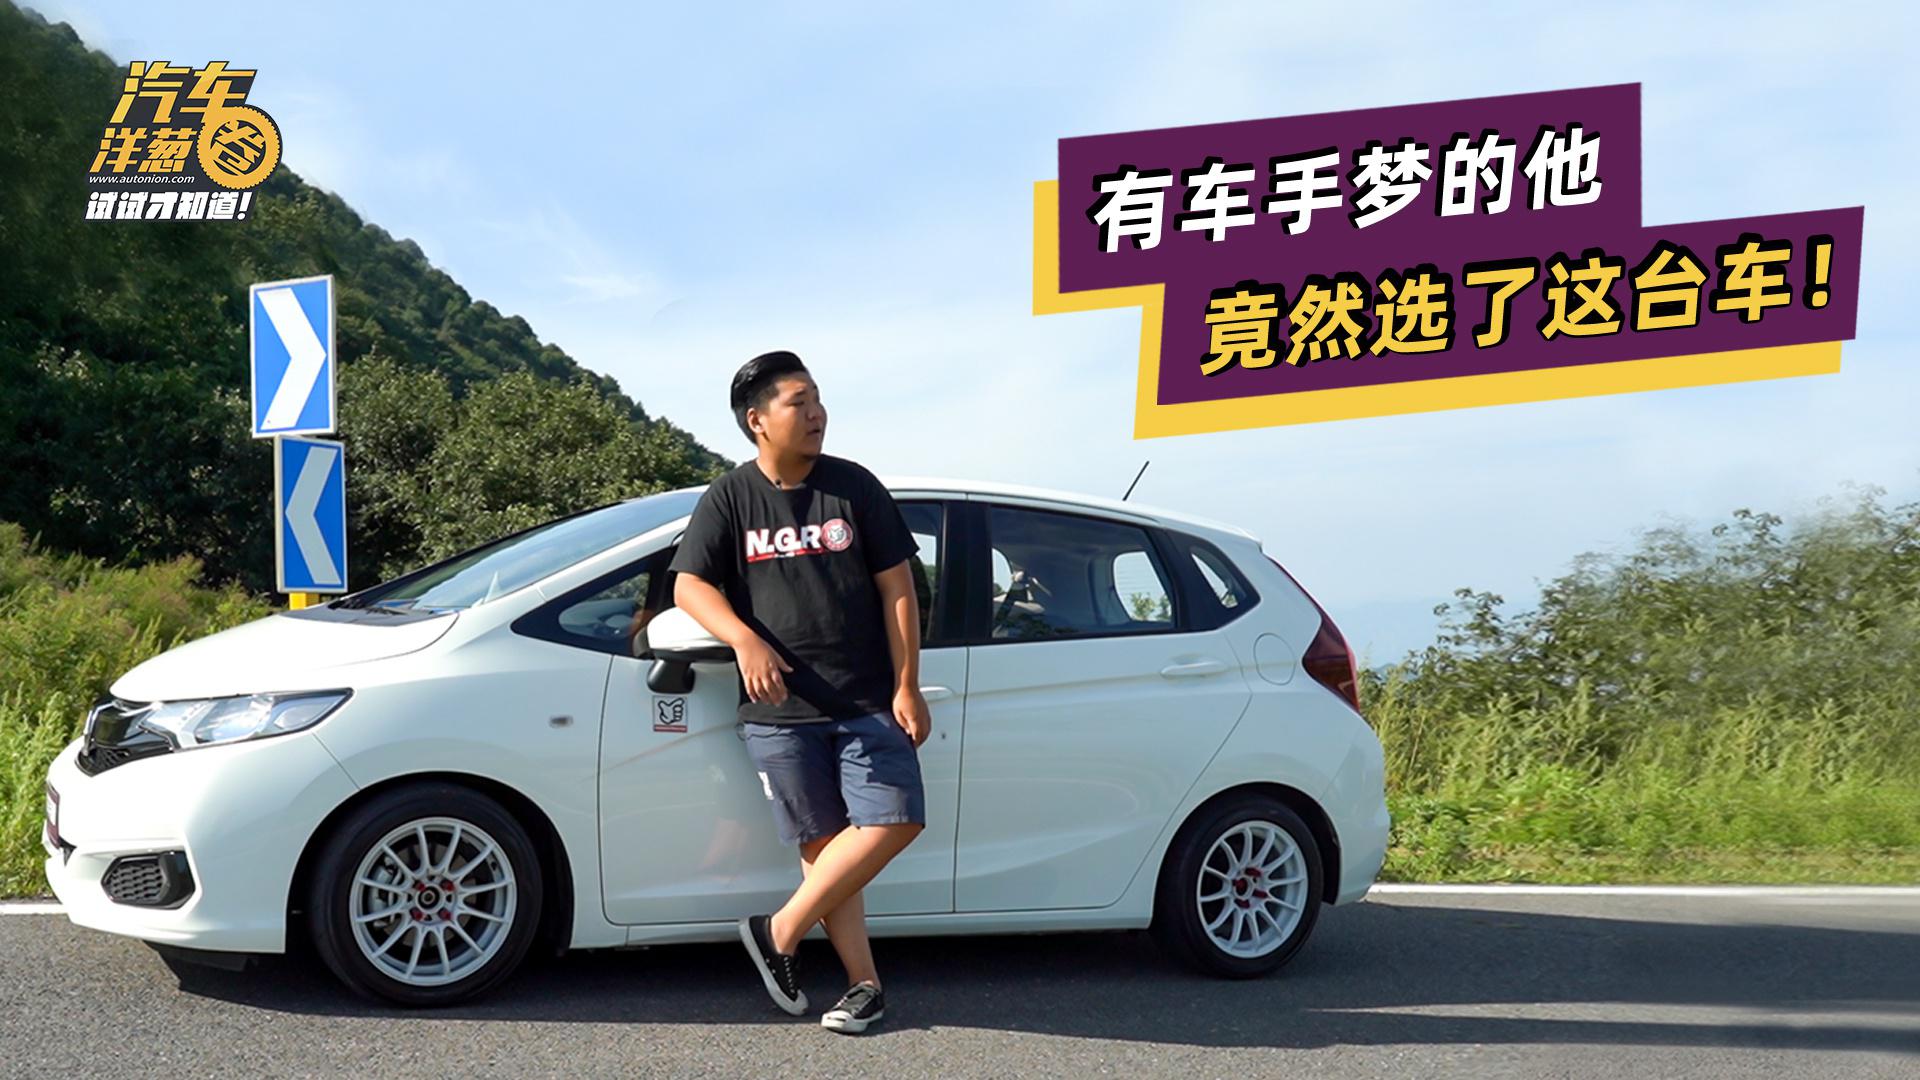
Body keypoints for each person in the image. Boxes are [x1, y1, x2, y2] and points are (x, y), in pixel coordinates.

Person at [667, 349, 930, 1035]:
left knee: (897, 818)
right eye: (798, 402)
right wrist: (744, 640)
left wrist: (907, 683)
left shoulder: (854, 487)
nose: (816, 413)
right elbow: (689, 585)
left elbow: (898, 588)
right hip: (779, 710)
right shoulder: (730, 497)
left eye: (818, 399)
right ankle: (865, 987)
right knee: (824, 849)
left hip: (866, 698)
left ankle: (778, 929)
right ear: (758, 420)